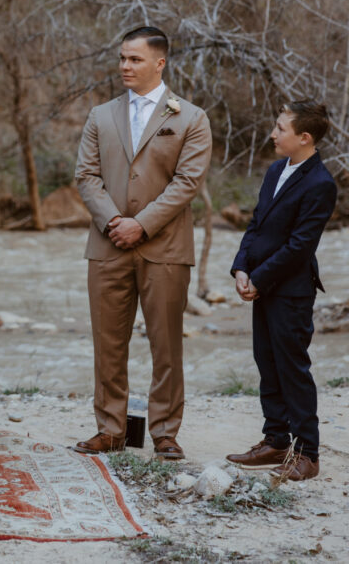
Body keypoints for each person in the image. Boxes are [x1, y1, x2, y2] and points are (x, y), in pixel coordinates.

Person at [73, 26, 211, 460]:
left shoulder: (190, 117)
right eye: (122, 59)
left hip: (165, 248)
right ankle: (111, 429)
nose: (125, 67)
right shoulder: (100, 115)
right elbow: (86, 176)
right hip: (107, 244)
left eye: (134, 59)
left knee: (166, 344)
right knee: (107, 342)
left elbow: (187, 183)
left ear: (159, 63)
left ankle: (165, 433)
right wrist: (115, 220)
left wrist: (142, 224)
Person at [226, 101, 336, 481]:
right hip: (262, 284)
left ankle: (308, 453)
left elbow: (300, 246)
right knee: (266, 362)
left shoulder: (321, 183)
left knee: (292, 369)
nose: (273, 134)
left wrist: (260, 278)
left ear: (304, 138)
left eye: (280, 128)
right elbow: (256, 224)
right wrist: (241, 267)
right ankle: (275, 440)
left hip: (290, 291)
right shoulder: (276, 170)